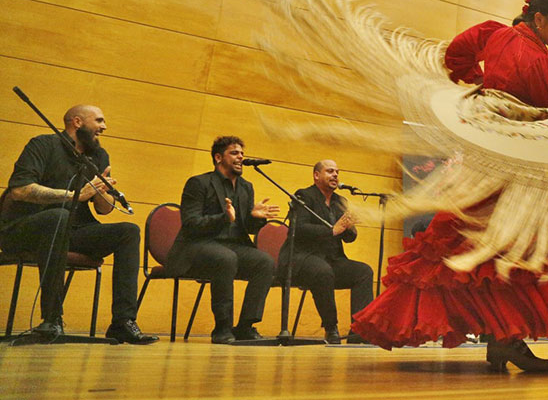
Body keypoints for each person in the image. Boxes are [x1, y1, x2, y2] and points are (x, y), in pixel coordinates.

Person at [351, 0, 548, 372]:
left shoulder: (492, 32)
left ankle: (503, 341)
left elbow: (457, 54)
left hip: (486, 161)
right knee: (511, 251)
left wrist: (479, 86)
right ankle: (504, 340)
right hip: (509, 166)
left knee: (480, 249)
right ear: (538, 19)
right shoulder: (537, 60)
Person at [0, 105, 158, 344]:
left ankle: (123, 322)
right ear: (77, 122)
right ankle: (51, 320)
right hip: (26, 227)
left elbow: (103, 209)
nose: (104, 127)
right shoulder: (42, 145)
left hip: (75, 229)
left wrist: (100, 190)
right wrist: (74, 195)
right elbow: (20, 189)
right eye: (99, 120)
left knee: (128, 231)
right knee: (58, 217)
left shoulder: (98, 156)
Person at [166, 136, 279, 344]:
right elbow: (191, 223)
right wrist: (223, 218)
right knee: (225, 258)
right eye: (234, 153)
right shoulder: (199, 183)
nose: (241, 157)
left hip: (234, 247)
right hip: (198, 246)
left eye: (242, 153)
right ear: (218, 157)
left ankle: (245, 326)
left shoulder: (246, 187)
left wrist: (255, 219)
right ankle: (222, 328)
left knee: (264, 262)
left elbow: (246, 227)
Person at [282, 159, 373, 344]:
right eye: (330, 171)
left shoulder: (341, 201)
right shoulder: (304, 196)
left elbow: (349, 237)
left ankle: (359, 330)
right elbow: (298, 229)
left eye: (337, 172)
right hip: (304, 258)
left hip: (332, 260)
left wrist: (349, 227)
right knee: (323, 271)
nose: (335, 175)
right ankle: (331, 328)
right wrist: (331, 230)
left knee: (364, 271)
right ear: (316, 175)